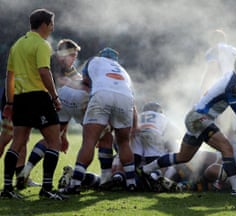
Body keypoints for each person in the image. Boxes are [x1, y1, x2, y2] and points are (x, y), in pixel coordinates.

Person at [139, 53, 236, 196]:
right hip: (199, 118)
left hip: (197, 118)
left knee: (183, 156)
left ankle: (145, 170)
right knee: (227, 147)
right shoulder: (232, 84)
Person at [0, 9, 66, 200]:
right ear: (44, 24)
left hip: (20, 99)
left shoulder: (17, 45)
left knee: (17, 143)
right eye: (52, 24)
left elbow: (9, 77)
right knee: (55, 141)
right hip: (39, 97)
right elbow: (44, 71)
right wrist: (55, 97)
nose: (53, 28)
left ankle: (7, 188)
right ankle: (46, 189)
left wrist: (10, 102)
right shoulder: (42, 45)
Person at [61, 47, 138, 194]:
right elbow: (132, 101)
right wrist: (134, 125)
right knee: (124, 142)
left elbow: (86, 83)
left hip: (102, 95)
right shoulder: (123, 70)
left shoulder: (94, 61)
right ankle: (131, 183)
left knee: (89, 141)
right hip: (125, 99)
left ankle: (75, 183)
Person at [16, 39, 85, 188]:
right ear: (63, 54)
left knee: (48, 138)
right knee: (19, 138)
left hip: (42, 100)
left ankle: (23, 173)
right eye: (72, 55)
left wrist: (64, 134)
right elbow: (65, 81)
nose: (74, 59)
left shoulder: (67, 66)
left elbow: (77, 80)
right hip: (28, 97)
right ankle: (23, 180)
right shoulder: (52, 60)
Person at [200, 29, 236, 153]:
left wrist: (204, 90)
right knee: (231, 126)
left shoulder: (214, 49)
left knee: (218, 125)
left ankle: (226, 157)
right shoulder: (235, 51)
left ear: (213, 40)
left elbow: (212, 69)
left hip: (223, 90)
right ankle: (235, 155)